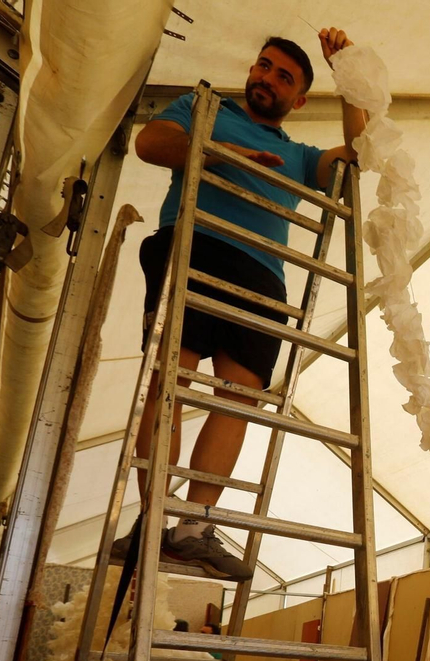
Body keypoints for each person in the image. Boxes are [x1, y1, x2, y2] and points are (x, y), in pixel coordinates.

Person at [111, 29, 365, 580]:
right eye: (264, 66)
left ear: (298, 101)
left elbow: (361, 156)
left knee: (240, 401)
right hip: (192, 242)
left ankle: (193, 529)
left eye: (283, 77)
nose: (266, 78)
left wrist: (349, 77)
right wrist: (223, 154)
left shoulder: (301, 156)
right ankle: (154, 517)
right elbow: (149, 144)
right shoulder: (202, 108)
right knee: (170, 379)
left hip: (262, 276)